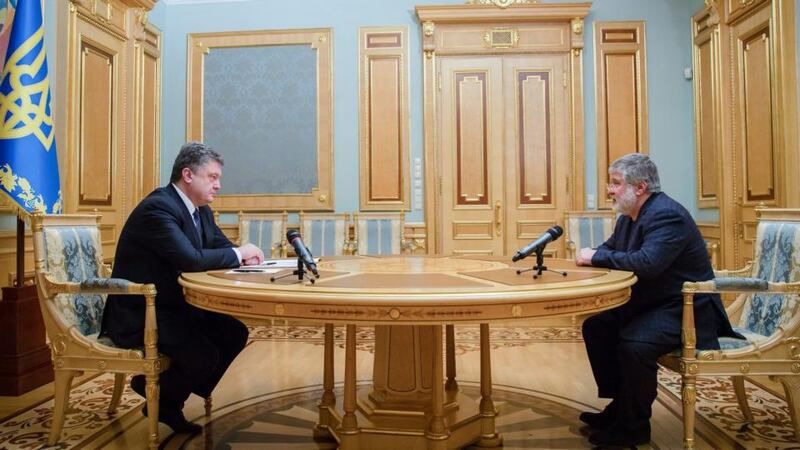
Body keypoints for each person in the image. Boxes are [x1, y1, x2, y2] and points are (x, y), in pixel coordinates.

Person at [575, 153, 739, 447]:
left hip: (684, 308)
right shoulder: (628, 218)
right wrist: (594, 255)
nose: (609, 190)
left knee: (634, 346)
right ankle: (620, 406)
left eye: (615, 183)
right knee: (597, 325)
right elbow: (610, 250)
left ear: (639, 187)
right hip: (651, 302)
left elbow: (648, 262)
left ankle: (633, 426)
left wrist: (595, 256)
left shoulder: (666, 214)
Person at [100, 142, 264, 434]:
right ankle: (163, 398)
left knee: (234, 333)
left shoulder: (200, 210)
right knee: (204, 356)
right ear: (188, 175)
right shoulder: (158, 208)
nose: (218, 185)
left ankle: (165, 395)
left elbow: (220, 247)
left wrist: (244, 255)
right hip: (141, 312)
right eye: (212, 177)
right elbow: (190, 259)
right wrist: (241, 254)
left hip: (174, 305)